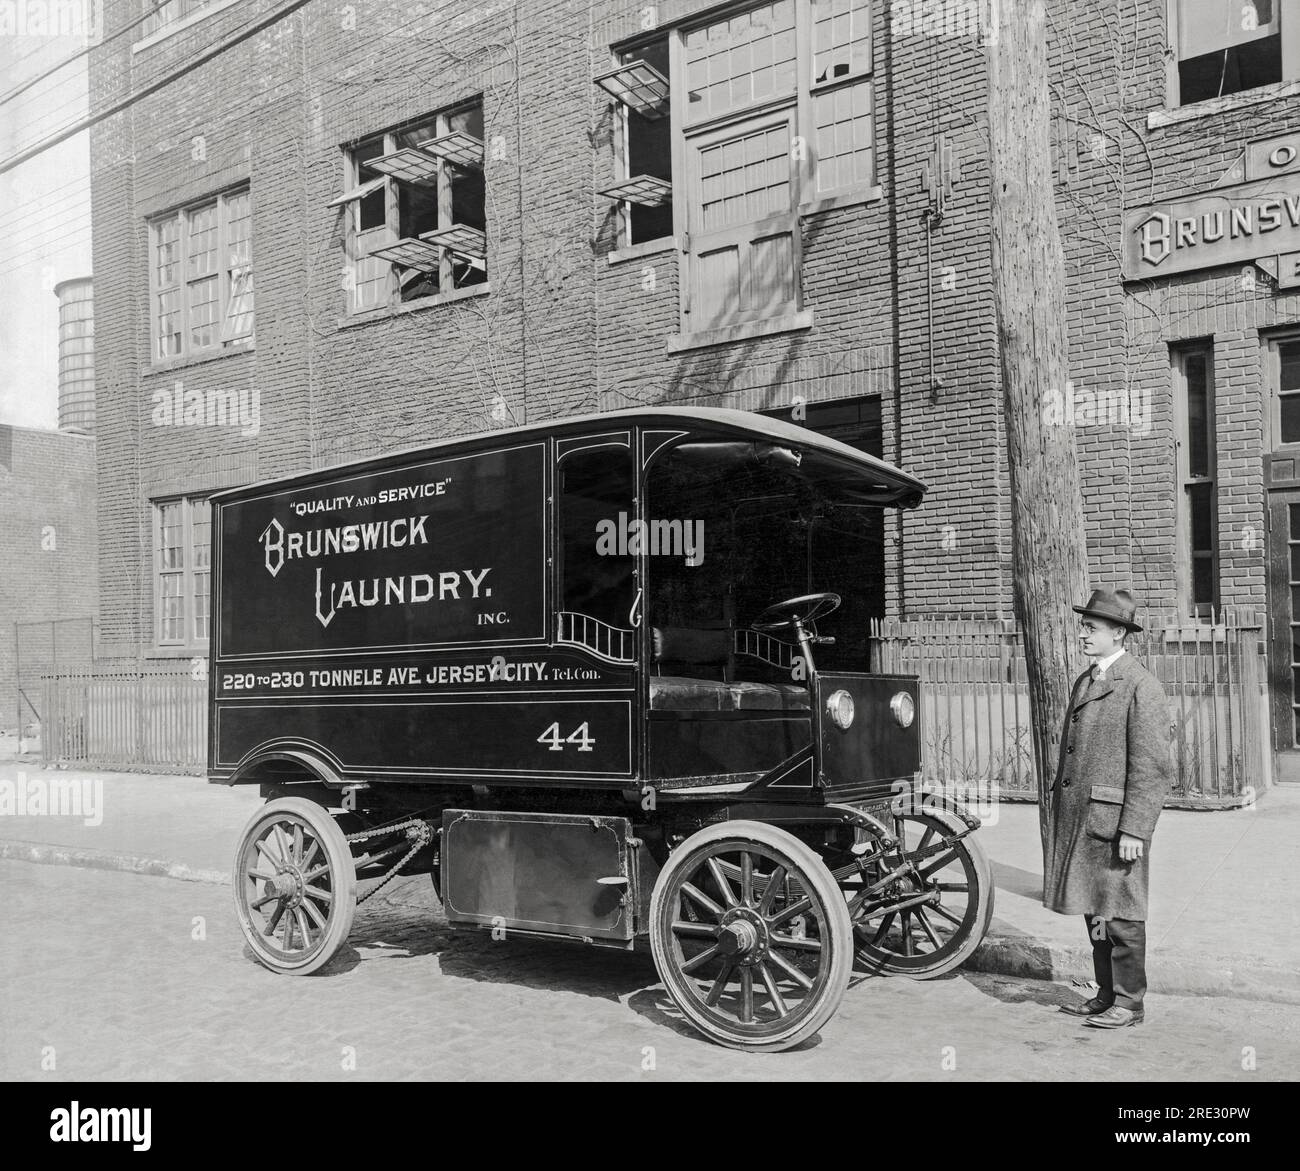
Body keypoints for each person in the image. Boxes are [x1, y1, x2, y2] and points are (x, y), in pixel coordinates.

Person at [1045, 588, 1173, 1028]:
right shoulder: (1088, 678)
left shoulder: (1141, 686)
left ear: (1118, 633)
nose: (1083, 635)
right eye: (1084, 627)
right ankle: (1106, 994)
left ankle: (1130, 1003)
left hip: (1116, 824)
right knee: (1096, 911)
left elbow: (1152, 767)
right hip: (1086, 820)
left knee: (1121, 915)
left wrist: (1136, 829)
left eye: (1091, 628)